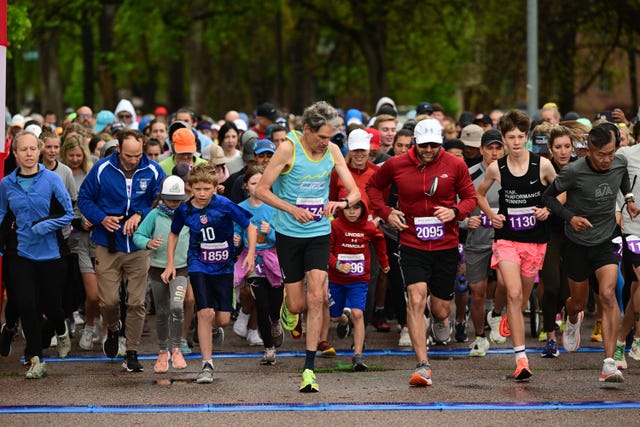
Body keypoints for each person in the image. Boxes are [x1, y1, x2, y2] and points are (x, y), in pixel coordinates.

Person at [255, 101, 361, 393]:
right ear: (306, 130)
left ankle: (309, 368)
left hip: (318, 232)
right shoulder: (289, 148)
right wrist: (291, 209)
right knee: (298, 303)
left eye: (330, 137)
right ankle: (289, 311)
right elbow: (261, 190)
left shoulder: (333, 151)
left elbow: (354, 191)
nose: (326, 142)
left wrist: (340, 203)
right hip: (289, 234)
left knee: (317, 297)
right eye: (322, 137)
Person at [366, 118, 477, 387]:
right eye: (424, 145)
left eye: (434, 145)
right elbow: (372, 188)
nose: (429, 150)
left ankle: (441, 320)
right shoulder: (396, 164)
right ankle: (423, 365)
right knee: (415, 299)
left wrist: (454, 212)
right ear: (415, 142)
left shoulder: (455, 164)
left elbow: (471, 198)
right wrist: (387, 212)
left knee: (440, 308)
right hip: (413, 242)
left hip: (445, 245)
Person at [543, 122, 639, 383]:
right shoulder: (573, 171)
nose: (607, 159)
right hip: (576, 243)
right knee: (578, 299)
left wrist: (629, 199)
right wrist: (570, 217)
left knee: (608, 294)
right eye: (602, 154)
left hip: (606, 238)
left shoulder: (618, 163)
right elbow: (548, 198)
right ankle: (572, 315)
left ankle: (609, 363)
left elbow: (623, 179)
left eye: (611, 152)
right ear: (590, 149)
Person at [477, 110, 556, 381]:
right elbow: (479, 193)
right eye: (511, 137)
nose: (516, 142)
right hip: (507, 237)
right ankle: (521, 359)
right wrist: (491, 215)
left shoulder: (542, 165)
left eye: (521, 137)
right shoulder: (495, 168)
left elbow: (563, 192)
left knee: (521, 299)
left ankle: (509, 318)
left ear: (527, 137)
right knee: (512, 293)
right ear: (503, 138)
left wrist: (547, 209)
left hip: (535, 240)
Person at [78, 129, 165, 372]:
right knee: (108, 301)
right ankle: (114, 329)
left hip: (138, 245)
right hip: (108, 243)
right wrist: (101, 219)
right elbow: (84, 199)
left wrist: (140, 214)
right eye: (128, 155)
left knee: (137, 302)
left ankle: (132, 351)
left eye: (138, 155)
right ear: (118, 149)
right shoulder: (102, 169)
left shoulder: (154, 170)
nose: (133, 159)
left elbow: (164, 200)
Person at [162, 164, 257, 384]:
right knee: (204, 313)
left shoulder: (224, 205)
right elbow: (173, 234)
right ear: (190, 187)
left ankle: (212, 330)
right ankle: (207, 364)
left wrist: (250, 253)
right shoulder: (185, 210)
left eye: (207, 188)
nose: (202, 193)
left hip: (224, 267)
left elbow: (250, 226)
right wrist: (170, 264)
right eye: (198, 189)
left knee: (222, 319)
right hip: (199, 265)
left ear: (215, 187)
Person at [0, 131, 74, 378]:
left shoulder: (52, 179)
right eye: (24, 150)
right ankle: (36, 358)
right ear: (15, 154)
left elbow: (67, 214)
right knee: (27, 304)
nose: (29, 154)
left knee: (51, 305)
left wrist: (44, 226)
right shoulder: (6, 184)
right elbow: (2, 215)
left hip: (51, 253)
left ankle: (60, 326)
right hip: (20, 252)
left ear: (39, 151)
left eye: (33, 149)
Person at [133, 175, 190, 373]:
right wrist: (147, 243)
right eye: (170, 199)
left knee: (177, 306)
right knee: (163, 311)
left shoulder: (188, 214)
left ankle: (176, 348)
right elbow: (138, 235)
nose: (174, 203)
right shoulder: (155, 214)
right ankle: (162, 351)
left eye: (178, 200)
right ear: (162, 197)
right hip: (157, 269)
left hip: (181, 269)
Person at [328, 200, 389, 371]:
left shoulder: (368, 227)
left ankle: (358, 356)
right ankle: (343, 320)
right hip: (337, 279)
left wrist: (384, 262)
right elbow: (326, 249)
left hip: (359, 279)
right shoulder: (335, 226)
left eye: (356, 208)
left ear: (363, 210)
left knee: (358, 313)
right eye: (348, 209)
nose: (352, 212)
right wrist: (337, 264)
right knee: (334, 317)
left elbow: (379, 240)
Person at [234, 166, 284, 364]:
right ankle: (269, 349)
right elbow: (236, 230)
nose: (257, 187)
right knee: (261, 304)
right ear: (246, 186)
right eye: (253, 183)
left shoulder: (273, 206)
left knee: (275, 303)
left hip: (274, 259)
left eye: (261, 183)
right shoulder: (240, 208)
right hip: (253, 261)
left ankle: (276, 321)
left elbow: (284, 235)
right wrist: (236, 239)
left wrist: (270, 231)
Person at [463, 129, 505, 356]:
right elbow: (456, 209)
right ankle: (479, 338)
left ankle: (497, 313)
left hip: (504, 239)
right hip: (477, 240)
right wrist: (466, 221)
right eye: (490, 148)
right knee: (477, 292)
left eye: (499, 148)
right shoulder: (468, 175)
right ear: (481, 150)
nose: (495, 152)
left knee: (506, 283)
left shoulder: (512, 173)